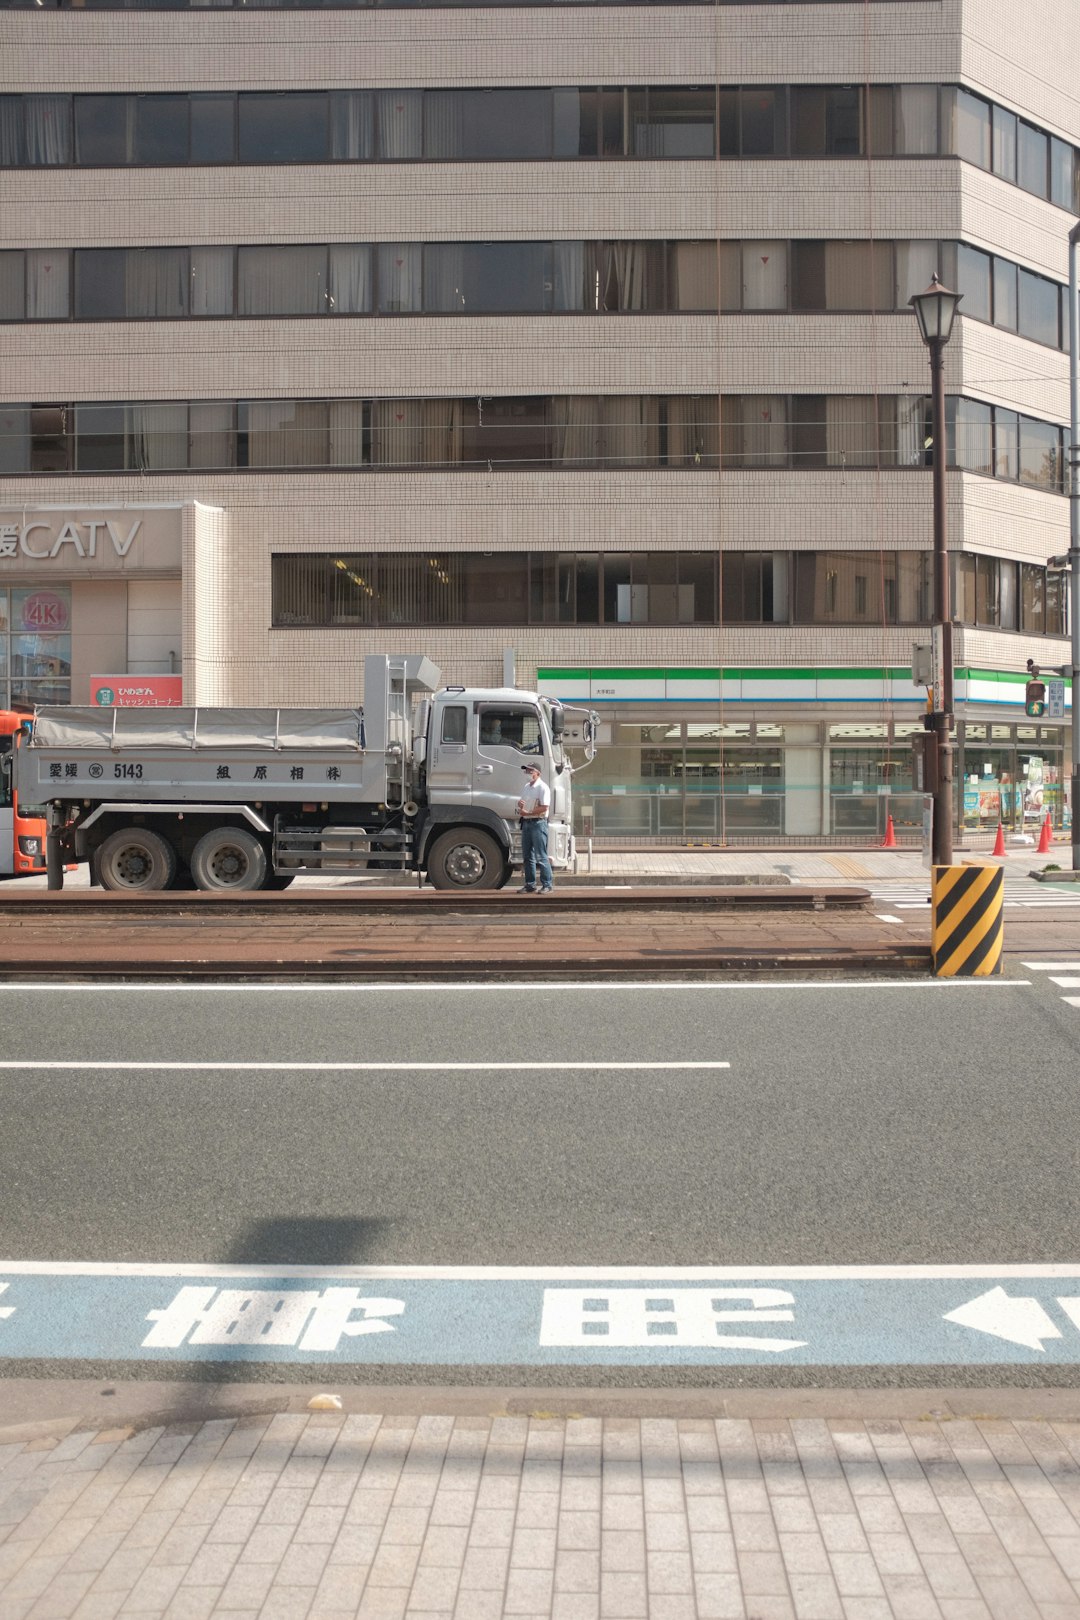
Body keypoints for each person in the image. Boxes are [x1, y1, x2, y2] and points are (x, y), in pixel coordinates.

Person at [516, 762, 553, 894]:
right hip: (526, 822)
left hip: (538, 823)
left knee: (541, 855)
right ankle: (530, 884)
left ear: (538, 773)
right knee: (527, 855)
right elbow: (523, 805)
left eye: (530, 771)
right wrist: (520, 805)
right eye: (526, 770)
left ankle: (547, 885)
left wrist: (528, 812)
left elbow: (544, 807)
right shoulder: (527, 786)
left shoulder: (543, 787)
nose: (528, 773)